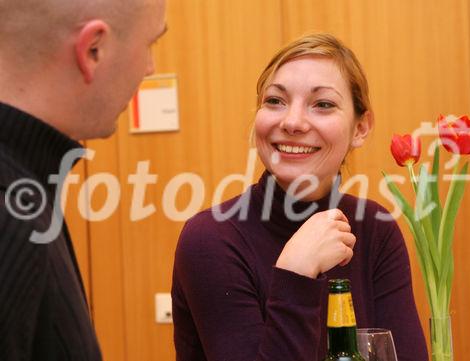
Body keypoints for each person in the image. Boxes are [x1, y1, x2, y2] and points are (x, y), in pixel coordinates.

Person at [172, 33, 428, 361]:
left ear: (361, 128)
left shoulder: (375, 229)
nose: (292, 122)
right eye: (275, 101)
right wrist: (296, 270)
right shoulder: (210, 239)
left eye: (323, 104)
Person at [0, 0, 167, 359]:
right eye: (149, 46)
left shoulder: (26, 187)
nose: (150, 68)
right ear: (93, 49)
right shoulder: (10, 219)